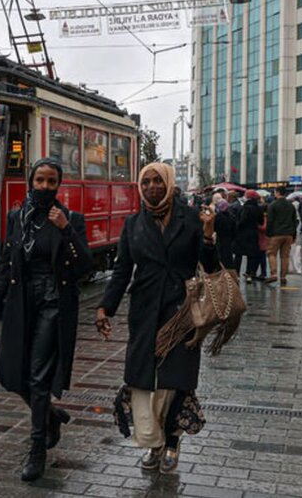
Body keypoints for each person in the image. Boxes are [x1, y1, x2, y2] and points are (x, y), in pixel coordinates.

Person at [0, 158, 92, 482]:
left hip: (53, 304)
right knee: (7, 371)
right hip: (22, 303)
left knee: (38, 377)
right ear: (31, 182)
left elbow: (85, 265)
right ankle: (50, 415)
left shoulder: (70, 219)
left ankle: (37, 448)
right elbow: (6, 269)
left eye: (52, 182)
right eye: (40, 180)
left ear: (58, 185)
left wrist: (66, 230)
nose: (45, 187)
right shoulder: (17, 218)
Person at [95, 162, 218, 474]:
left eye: (158, 181)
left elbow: (211, 267)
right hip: (145, 311)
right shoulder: (133, 223)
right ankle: (153, 439)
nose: (152, 187)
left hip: (182, 311)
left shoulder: (191, 218)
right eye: (146, 181)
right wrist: (105, 307)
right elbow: (122, 270)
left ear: (169, 183)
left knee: (176, 380)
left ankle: (172, 441)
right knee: (143, 379)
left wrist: (207, 236)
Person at [265, 186, 297, 285]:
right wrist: (294, 235)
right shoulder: (291, 205)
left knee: (271, 254)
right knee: (285, 256)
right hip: (289, 234)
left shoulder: (272, 205)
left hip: (276, 234)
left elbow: (270, 221)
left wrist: (268, 234)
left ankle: (274, 274)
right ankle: (283, 277)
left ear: (277, 192)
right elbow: (294, 221)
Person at [233, 190, 263, 283]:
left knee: (238, 255)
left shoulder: (244, 208)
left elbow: (241, 221)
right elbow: (261, 222)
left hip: (242, 234)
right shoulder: (259, 208)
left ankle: (236, 274)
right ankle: (249, 274)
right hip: (253, 233)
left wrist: (236, 228)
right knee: (251, 255)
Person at [213, 197, 237, 270]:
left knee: (220, 256)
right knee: (228, 257)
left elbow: (214, 228)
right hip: (229, 239)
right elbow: (234, 229)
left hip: (220, 238)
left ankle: (220, 270)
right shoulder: (232, 216)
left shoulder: (217, 217)